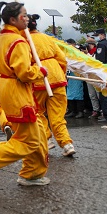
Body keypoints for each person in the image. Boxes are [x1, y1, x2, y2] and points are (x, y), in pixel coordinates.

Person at [0, 0, 49, 187]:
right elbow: (23, 72)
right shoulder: (16, 40)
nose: (27, 18)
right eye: (24, 15)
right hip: (16, 90)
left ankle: (32, 173)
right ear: (13, 20)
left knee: (37, 132)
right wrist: (40, 72)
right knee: (30, 140)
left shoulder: (2, 37)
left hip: (8, 87)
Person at [27, 14, 74, 157]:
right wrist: (62, 73)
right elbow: (62, 59)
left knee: (37, 112)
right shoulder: (48, 38)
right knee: (58, 115)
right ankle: (66, 143)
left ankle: (46, 139)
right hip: (56, 77)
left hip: (38, 78)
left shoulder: (24, 41)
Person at [64, 39, 85, 119]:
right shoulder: (66, 53)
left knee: (78, 93)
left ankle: (80, 111)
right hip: (69, 75)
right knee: (70, 93)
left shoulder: (78, 53)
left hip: (77, 74)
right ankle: (72, 110)